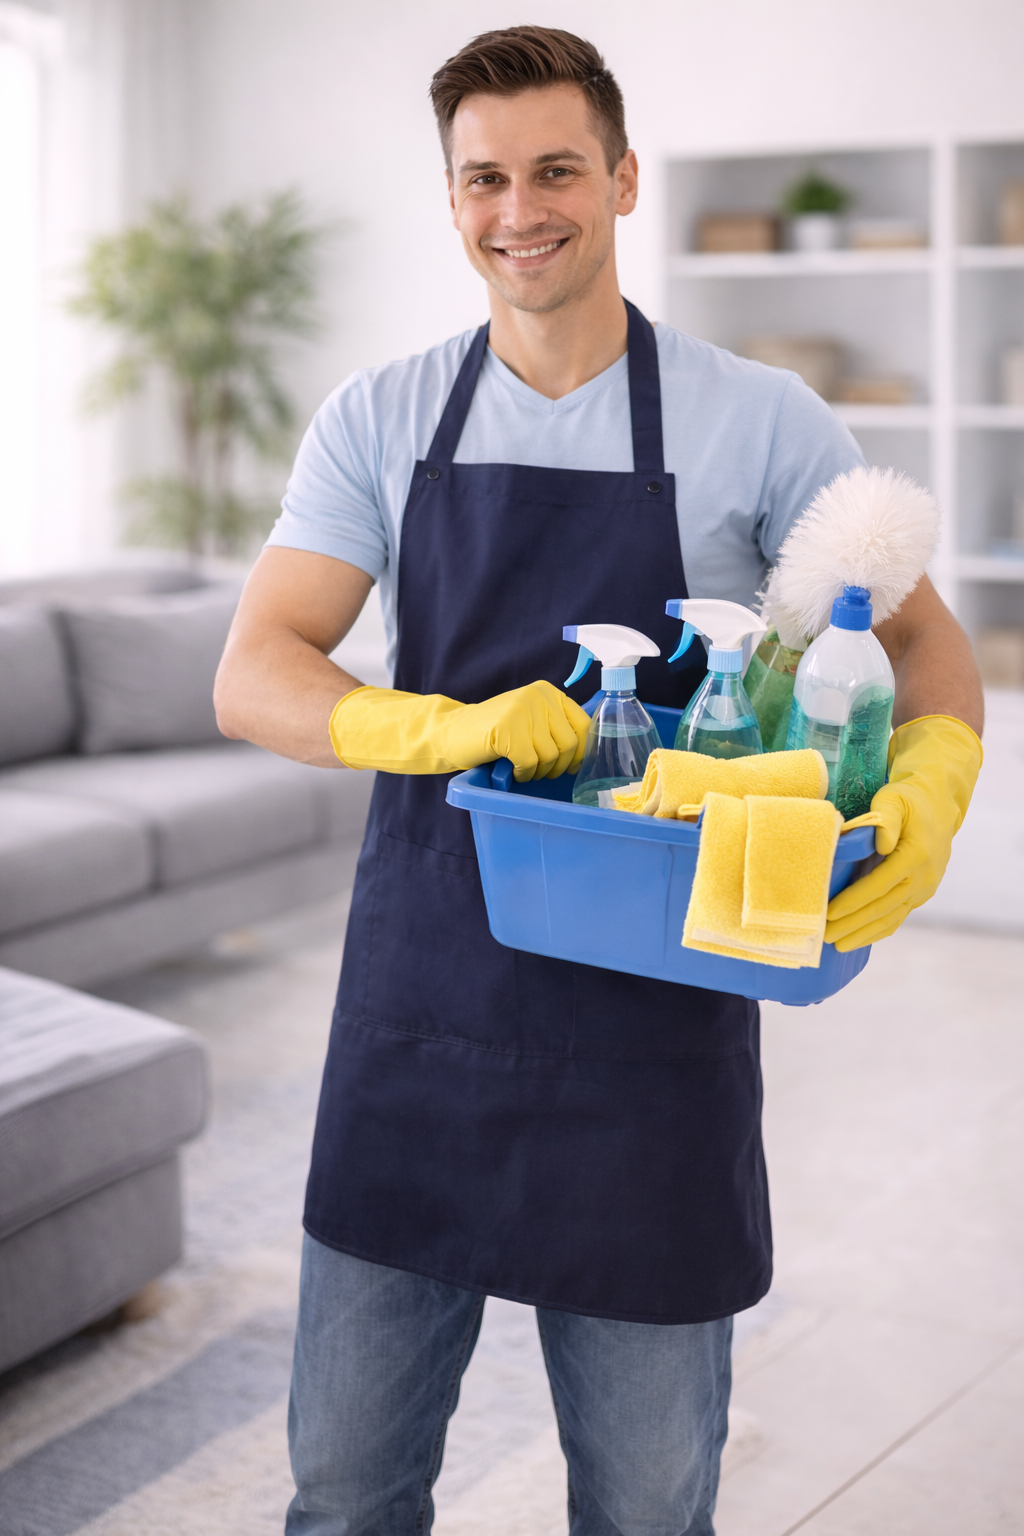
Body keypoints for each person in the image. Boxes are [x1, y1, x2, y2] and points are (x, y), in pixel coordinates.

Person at [214, 26, 984, 1536]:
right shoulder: (379, 416)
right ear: (451, 201)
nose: (522, 208)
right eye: (484, 178)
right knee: (348, 1489)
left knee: (646, 1503)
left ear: (623, 178)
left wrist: (938, 782)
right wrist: (424, 728)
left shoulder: (754, 417)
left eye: (557, 167)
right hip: (421, 1004)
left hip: (652, 1019)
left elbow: (926, 653)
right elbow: (257, 667)